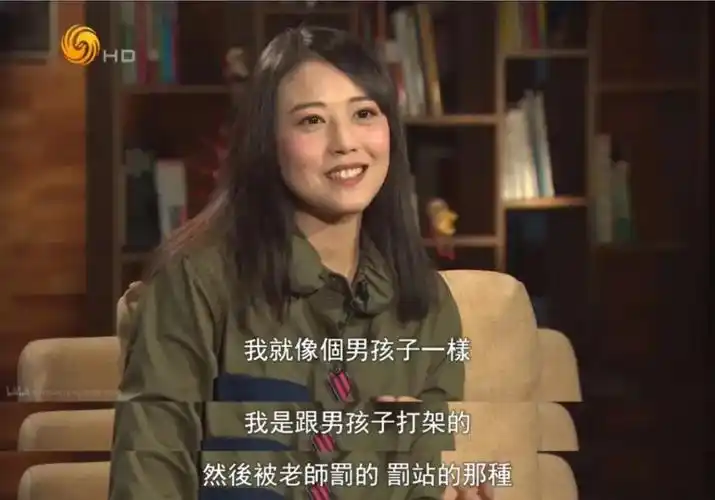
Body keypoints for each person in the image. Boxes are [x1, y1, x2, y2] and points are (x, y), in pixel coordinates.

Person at [110, 26, 490, 500]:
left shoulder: (426, 305)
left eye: (364, 114)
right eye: (312, 120)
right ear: (267, 141)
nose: (345, 142)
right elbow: (149, 478)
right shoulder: (197, 282)